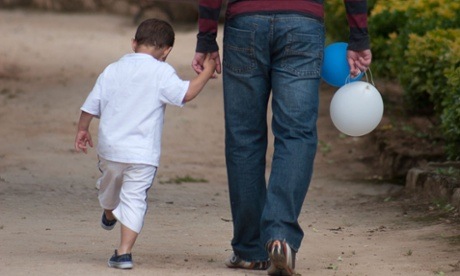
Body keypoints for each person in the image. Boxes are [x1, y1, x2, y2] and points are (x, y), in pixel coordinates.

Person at [192, 1, 372, 275]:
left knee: (244, 136)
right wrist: (358, 37)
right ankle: (281, 236)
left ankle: (250, 249)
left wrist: (206, 38)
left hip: (246, 23)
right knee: (297, 134)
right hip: (302, 25)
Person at [74, 18, 216, 269]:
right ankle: (123, 251)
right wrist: (206, 73)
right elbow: (187, 93)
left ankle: (114, 227)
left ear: (133, 43)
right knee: (134, 199)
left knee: (110, 187)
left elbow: (91, 105)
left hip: (111, 150)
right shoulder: (162, 72)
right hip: (142, 154)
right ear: (167, 50)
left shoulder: (112, 70)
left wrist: (82, 129)